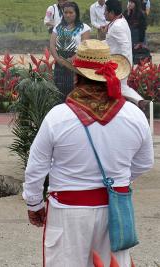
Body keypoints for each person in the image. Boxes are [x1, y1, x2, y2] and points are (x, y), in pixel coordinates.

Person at [23, 39, 153, 267]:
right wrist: (116, 180)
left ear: (76, 77)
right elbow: (144, 162)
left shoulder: (58, 117)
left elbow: (36, 167)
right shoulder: (134, 115)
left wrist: (34, 204)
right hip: (116, 211)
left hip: (68, 211)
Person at [103, 0, 148, 110]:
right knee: (119, 87)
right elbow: (111, 42)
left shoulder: (117, 26)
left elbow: (125, 45)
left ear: (111, 12)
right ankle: (140, 102)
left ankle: (140, 103)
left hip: (120, 64)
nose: (103, 13)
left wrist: (124, 66)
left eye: (105, 11)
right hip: (118, 63)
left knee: (119, 87)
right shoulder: (120, 20)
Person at [50, 1, 90, 99]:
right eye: (65, 12)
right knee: (59, 91)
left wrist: (71, 59)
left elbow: (84, 48)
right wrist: (58, 59)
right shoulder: (58, 27)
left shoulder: (83, 28)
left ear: (76, 14)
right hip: (59, 63)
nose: (68, 15)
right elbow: (52, 45)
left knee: (74, 92)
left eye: (71, 12)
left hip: (76, 65)